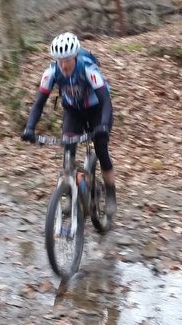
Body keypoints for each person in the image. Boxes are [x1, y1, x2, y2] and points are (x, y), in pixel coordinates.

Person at [21, 32, 117, 216]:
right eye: (59, 60)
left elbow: (106, 101)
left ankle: (110, 192)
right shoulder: (51, 73)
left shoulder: (88, 69)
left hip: (97, 108)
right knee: (68, 149)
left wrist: (103, 125)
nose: (63, 65)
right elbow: (39, 103)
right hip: (73, 110)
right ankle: (69, 193)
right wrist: (30, 128)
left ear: (75, 56)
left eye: (67, 60)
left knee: (101, 148)